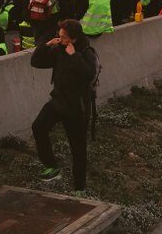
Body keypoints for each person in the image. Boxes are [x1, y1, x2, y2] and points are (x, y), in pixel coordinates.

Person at [31, 19, 97, 192]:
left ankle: (79, 190)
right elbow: (36, 62)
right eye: (58, 36)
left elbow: (89, 75)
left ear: (73, 39)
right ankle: (51, 166)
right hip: (58, 101)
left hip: (77, 108)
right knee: (38, 127)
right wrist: (46, 46)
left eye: (63, 37)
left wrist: (73, 56)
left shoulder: (85, 52)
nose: (59, 39)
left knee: (78, 151)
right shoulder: (58, 49)